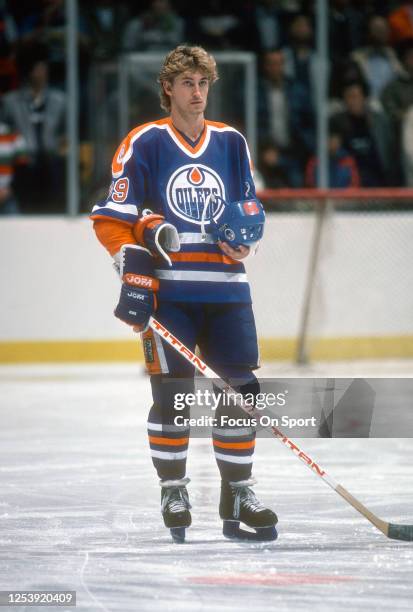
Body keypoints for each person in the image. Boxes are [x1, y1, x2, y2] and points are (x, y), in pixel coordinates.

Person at [90, 45, 277, 543]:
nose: (197, 93)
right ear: (168, 89)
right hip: (172, 296)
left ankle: (238, 491)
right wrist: (131, 264)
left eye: (203, 84)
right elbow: (111, 219)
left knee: (241, 393)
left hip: (229, 292)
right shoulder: (145, 142)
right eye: (188, 84)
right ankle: (173, 487)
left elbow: (247, 210)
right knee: (172, 396)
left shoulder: (231, 142)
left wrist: (246, 240)